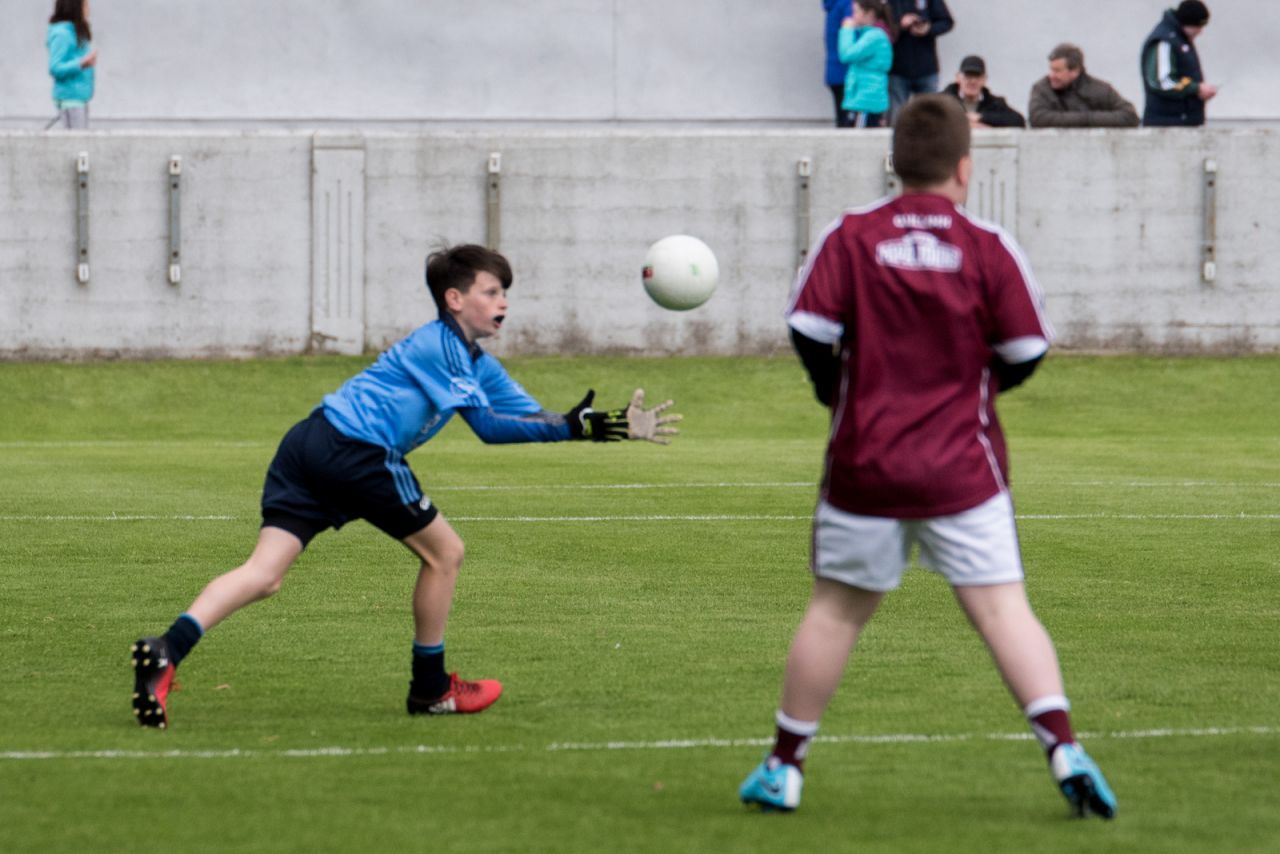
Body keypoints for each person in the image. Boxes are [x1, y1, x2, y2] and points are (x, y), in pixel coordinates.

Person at [737, 94, 1117, 820]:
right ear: (964, 168)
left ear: (895, 163)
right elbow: (1028, 350)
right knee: (1005, 612)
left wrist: (837, 393)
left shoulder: (849, 236)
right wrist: (971, 390)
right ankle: (1064, 746)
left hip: (864, 466)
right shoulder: (986, 245)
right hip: (963, 469)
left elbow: (809, 330)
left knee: (836, 614)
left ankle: (784, 767)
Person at [129, 244, 681, 729]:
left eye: (506, 292)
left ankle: (167, 650)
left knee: (265, 575)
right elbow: (488, 429)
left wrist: (602, 424)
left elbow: (535, 416)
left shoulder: (476, 365)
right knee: (446, 554)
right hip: (355, 450)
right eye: (491, 291)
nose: (504, 302)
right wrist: (573, 428)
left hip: (309, 443)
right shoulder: (436, 346)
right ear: (454, 299)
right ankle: (431, 689)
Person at [1142, 1, 1216, 127]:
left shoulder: (1179, 40)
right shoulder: (1164, 41)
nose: (1200, 32)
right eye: (1199, 27)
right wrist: (1196, 88)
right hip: (1167, 124)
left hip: (1183, 121)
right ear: (1188, 23)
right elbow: (1162, 81)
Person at [1028, 43, 1139, 128]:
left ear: (1075, 71)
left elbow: (1129, 116)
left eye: (1057, 71)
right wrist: (1086, 119)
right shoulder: (1042, 89)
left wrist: (1087, 119)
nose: (1051, 75)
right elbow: (1038, 118)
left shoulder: (1100, 90)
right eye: (1051, 69)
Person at [886, 0, 954, 122]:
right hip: (898, 68)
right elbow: (881, 26)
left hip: (926, 68)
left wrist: (928, 29)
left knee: (929, 116)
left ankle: (928, 141)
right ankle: (899, 141)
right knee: (897, 117)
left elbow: (947, 21)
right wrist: (901, 24)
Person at [836, 0, 896, 128]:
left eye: (856, 11)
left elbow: (846, 54)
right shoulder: (871, 35)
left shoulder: (874, 37)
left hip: (865, 102)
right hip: (863, 100)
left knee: (858, 142)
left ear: (869, 13)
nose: (853, 15)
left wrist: (846, 30)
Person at [46, 0, 97, 129]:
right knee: (77, 145)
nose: (88, 9)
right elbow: (55, 68)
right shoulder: (62, 34)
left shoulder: (74, 31)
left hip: (79, 98)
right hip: (70, 99)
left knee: (80, 143)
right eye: (85, 5)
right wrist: (81, 63)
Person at [941, 54, 1026, 128]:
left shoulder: (995, 103)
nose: (973, 81)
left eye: (977, 76)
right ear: (958, 78)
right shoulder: (943, 101)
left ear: (984, 80)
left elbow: (1019, 121)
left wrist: (982, 118)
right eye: (968, 76)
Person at [823, 0, 854, 127]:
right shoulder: (847, 5)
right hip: (848, 72)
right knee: (849, 124)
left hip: (834, 71)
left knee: (842, 120)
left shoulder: (834, 5)